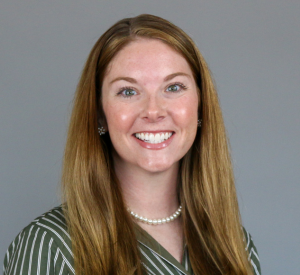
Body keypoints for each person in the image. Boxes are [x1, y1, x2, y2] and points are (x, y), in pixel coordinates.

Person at [3, 14, 261, 275]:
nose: (153, 111)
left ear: (201, 105)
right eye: (128, 91)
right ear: (99, 114)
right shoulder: (50, 246)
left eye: (173, 87)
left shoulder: (236, 246)